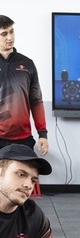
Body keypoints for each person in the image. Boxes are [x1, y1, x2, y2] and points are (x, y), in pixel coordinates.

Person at [0, 16, 49, 155]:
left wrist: (42, 134)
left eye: (11, 31)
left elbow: (36, 101)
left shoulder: (27, 64)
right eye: (4, 34)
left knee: (25, 176)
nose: (10, 37)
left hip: (23, 139)